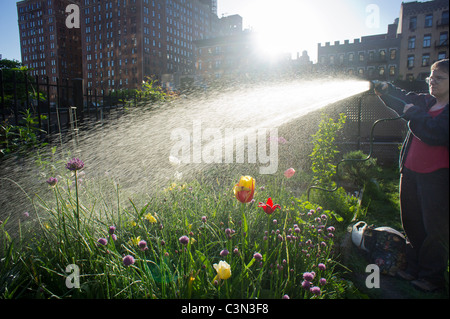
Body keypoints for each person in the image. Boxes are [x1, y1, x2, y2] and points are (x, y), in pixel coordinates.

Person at [374, 59, 449, 292]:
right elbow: (404, 99)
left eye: (440, 78)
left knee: (435, 229)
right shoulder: (426, 101)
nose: (432, 82)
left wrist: (414, 114)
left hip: (436, 177)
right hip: (411, 172)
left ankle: (432, 277)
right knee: (412, 223)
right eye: (431, 76)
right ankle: (414, 268)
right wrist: (386, 90)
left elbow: (435, 133)